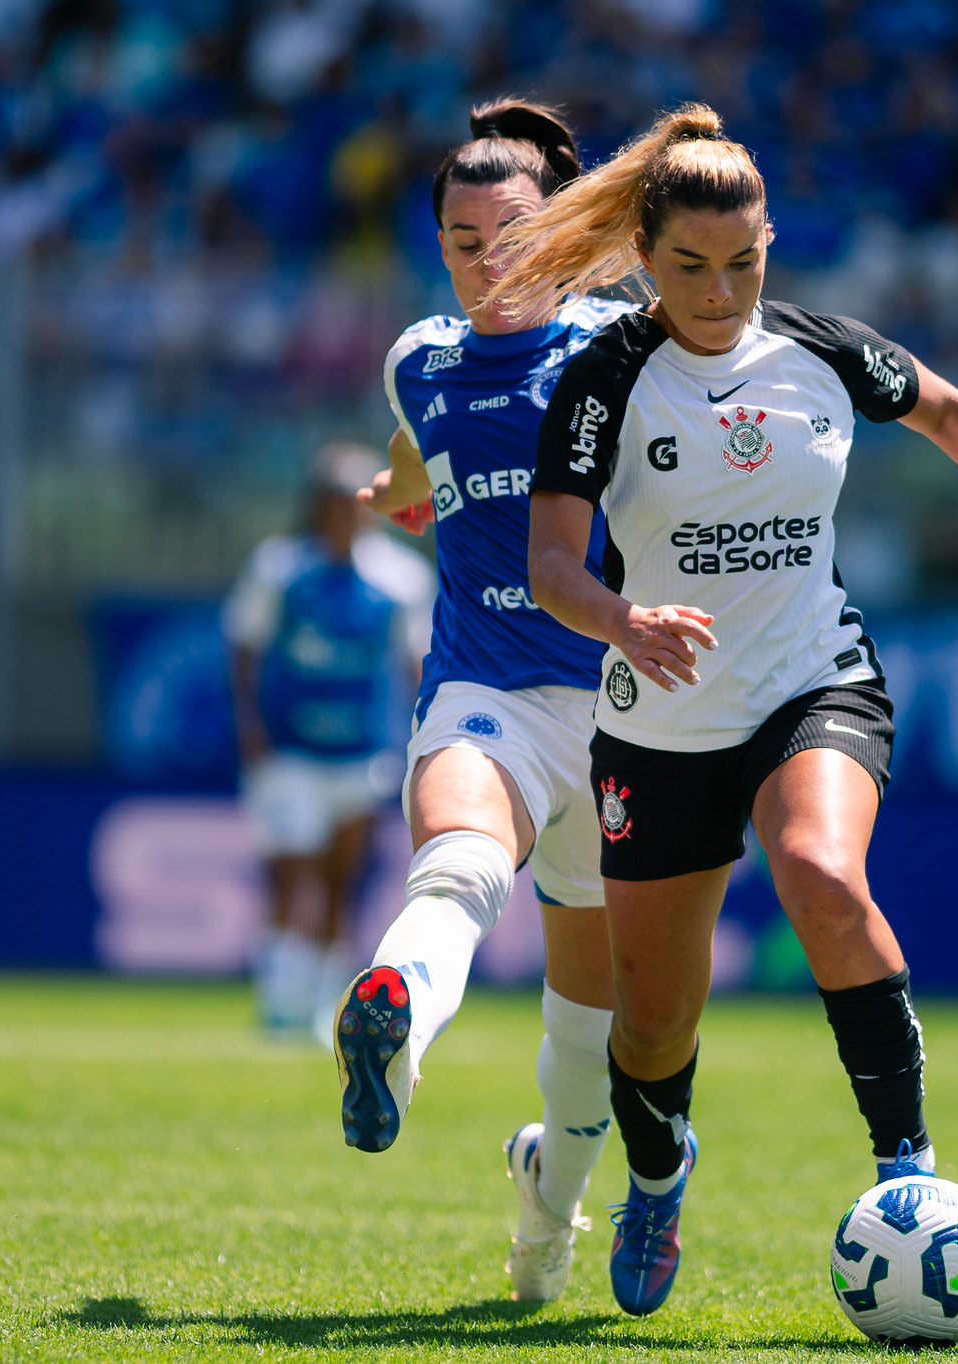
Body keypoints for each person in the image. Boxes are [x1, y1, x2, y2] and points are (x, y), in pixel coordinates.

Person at [499, 104, 958, 1317]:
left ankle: (906, 1171)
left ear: (772, 243)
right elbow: (552, 564)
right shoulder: (602, 380)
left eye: (745, 260)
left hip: (814, 681)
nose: (721, 290)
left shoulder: (820, 352)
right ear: (646, 262)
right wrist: (622, 620)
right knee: (650, 1031)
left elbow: (950, 412)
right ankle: (658, 1179)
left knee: (818, 866)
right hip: (655, 725)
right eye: (691, 267)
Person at [342, 98, 637, 1304]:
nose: (488, 261)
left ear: (559, 230)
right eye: (464, 241)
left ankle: (545, 1215)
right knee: (456, 865)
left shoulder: (621, 349)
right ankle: (391, 1024)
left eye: (513, 233)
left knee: (590, 1036)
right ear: (440, 248)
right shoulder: (417, 357)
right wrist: (398, 489)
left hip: (627, 712)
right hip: (487, 689)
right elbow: (420, 455)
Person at [225, 442, 434, 1041]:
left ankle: (321, 1005)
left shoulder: (400, 579)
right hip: (289, 749)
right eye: (336, 501)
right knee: (291, 871)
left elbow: (413, 663)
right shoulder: (278, 569)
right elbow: (245, 645)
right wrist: (250, 727)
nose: (348, 513)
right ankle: (279, 1000)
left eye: (356, 502)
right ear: (316, 505)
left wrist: (420, 735)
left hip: (362, 753)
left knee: (342, 880)